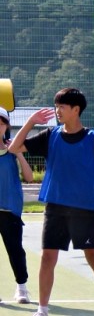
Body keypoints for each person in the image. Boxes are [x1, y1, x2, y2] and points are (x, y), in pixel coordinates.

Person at [7, 89, 94, 316]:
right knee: (47, 258)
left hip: (84, 207)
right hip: (55, 206)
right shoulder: (50, 135)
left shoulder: (93, 138)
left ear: (76, 110)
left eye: (62, 106)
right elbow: (14, 148)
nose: (57, 110)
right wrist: (31, 122)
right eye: (56, 106)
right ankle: (42, 311)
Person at [0, 108, 33, 303]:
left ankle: (21, 288)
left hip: (10, 210)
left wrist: (18, 153)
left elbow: (29, 177)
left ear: (6, 126)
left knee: (15, 250)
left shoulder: (13, 150)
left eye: (1, 123)